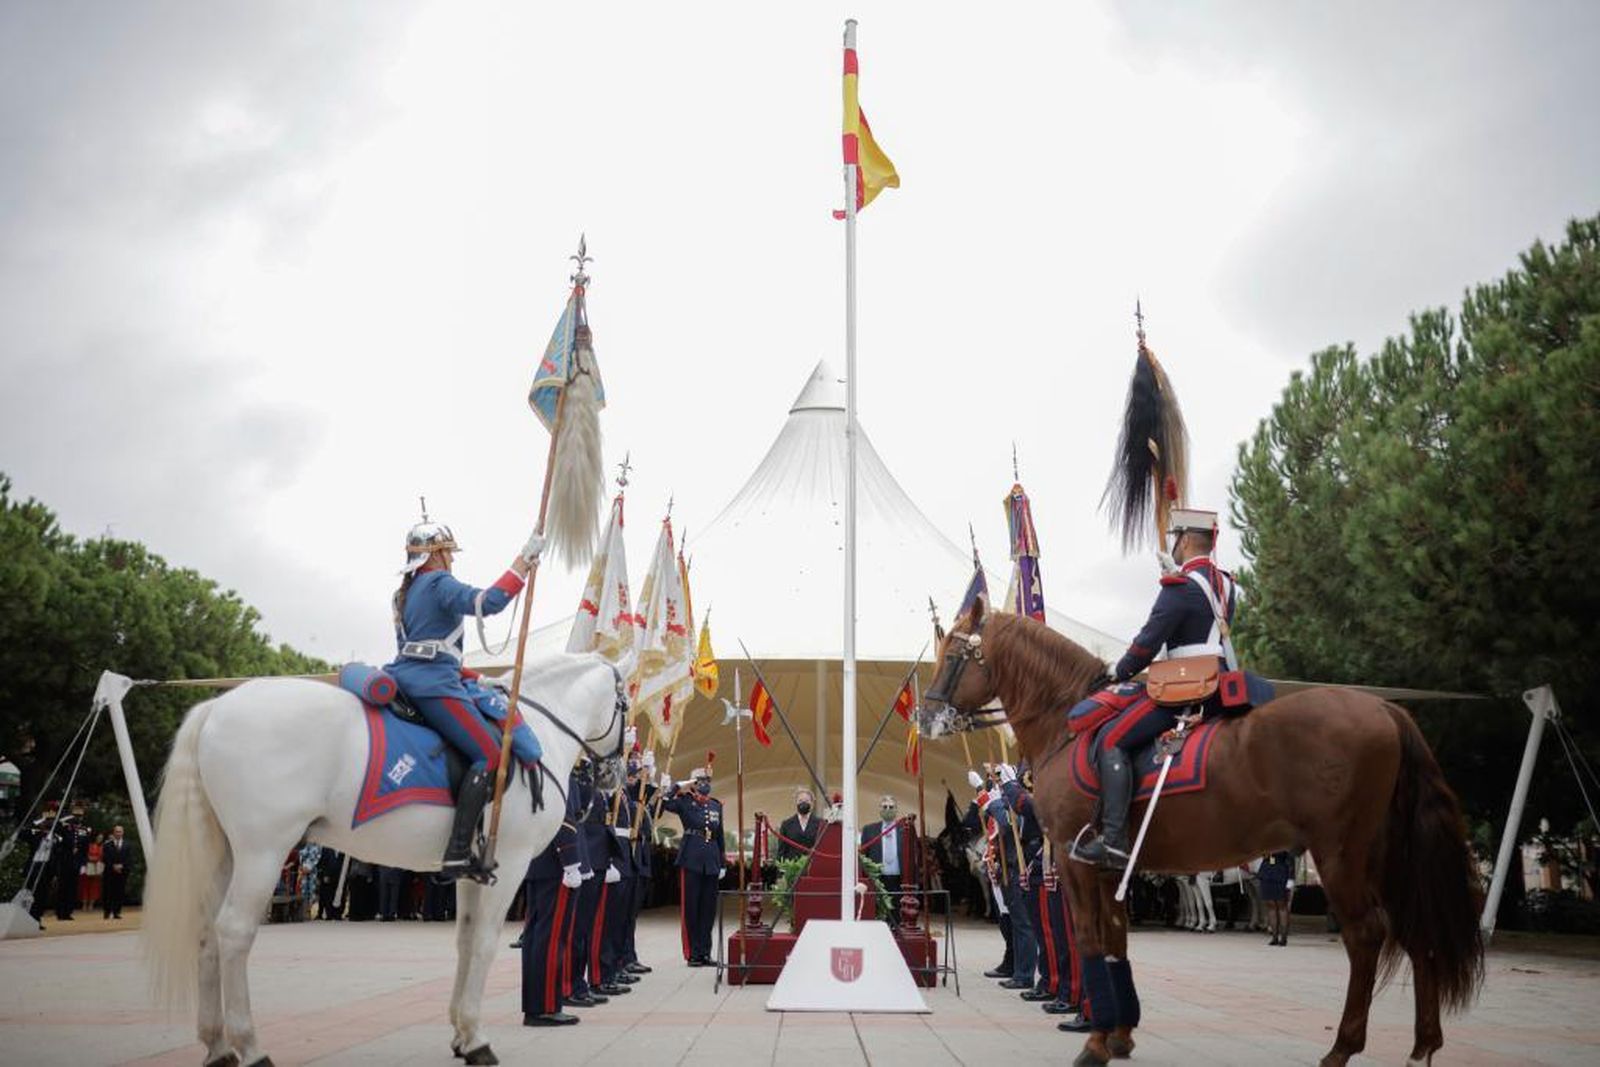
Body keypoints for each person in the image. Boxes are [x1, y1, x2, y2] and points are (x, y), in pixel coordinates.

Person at [1070, 508, 1238, 870]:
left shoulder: (1180, 587)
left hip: (1188, 685)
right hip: (1222, 681)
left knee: (1111, 739)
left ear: (1186, 539)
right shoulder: (1228, 585)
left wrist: (1119, 670)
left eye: (1175, 539)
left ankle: (1114, 840)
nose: (1173, 545)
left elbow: (1148, 642)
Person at [384, 513, 547, 881]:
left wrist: (471, 675)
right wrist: (524, 560)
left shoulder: (402, 595)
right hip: (433, 684)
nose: (451, 560)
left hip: (404, 676)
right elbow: (489, 602)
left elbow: (416, 648)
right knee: (490, 755)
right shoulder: (438, 582)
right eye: (448, 553)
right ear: (435, 554)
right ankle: (457, 852)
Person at [520, 775, 585, 1027]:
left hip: (538, 861)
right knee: (551, 939)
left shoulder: (536, 773)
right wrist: (571, 861)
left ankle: (534, 1005)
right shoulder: (559, 773)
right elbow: (562, 818)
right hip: (556, 864)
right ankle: (545, 1007)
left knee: (535, 938)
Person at [659, 763, 727, 967]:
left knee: (708, 909)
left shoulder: (715, 805)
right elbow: (663, 803)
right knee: (691, 908)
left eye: (707, 781)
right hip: (691, 859)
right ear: (693, 784)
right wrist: (677, 786)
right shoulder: (684, 801)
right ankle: (693, 953)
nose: (705, 784)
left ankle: (705, 952)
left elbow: (719, 835)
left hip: (711, 861)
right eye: (701, 781)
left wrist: (722, 863)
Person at [859, 795, 916, 899]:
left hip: (900, 881)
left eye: (891, 807)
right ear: (880, 809)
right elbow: (863, 857)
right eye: (884, 807)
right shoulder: (869, 830)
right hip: (878, 881)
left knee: (899, 908)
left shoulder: (906, 829)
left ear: (896, 809)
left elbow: (913, 855)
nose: (888, 809)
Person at [1258, 850, 1295, 945]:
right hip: (1266, 872)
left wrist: (1291, 878)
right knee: (1270, 905)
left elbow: (1291, 860)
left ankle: (1283, 938)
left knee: (1282, 905)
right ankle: (1274, 937)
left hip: (1281, 873)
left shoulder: (1285, 843)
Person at [776, 788, 821, 861]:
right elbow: (781, 849)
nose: (803, 803)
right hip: (792, 865)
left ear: (812, 803)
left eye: (807, 801)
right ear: (796, 802)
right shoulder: (786, 824)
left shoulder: (820, 823)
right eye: (800, 800)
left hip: (814, 863)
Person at [101, 825, 131, 919]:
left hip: (122, 872)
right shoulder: (107, 845)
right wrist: (113, 866)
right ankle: (107, 912)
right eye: (116, 831)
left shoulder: (127, 845)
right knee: (108, 892)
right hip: (109, 872)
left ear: (123, 833)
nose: (118, 833)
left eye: (120, 831)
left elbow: (129, 858)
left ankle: (116, 912)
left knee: (119, 892)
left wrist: (122, 866)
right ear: (113, 833)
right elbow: (105, 858)